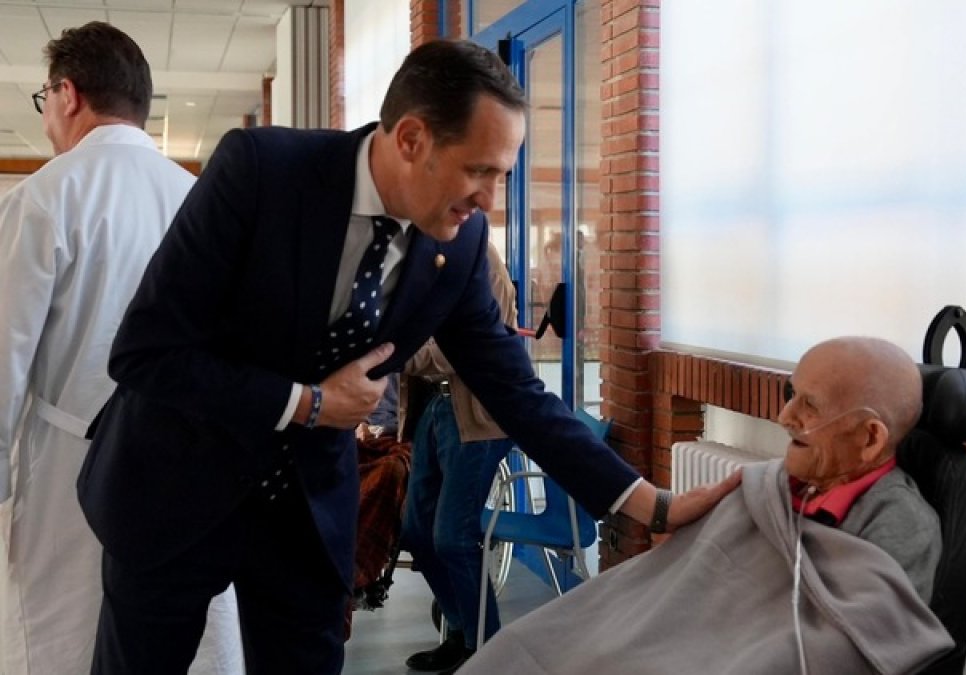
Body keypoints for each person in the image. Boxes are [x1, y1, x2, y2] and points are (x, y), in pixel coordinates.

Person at [77, 38, 736, 674]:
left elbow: (516, 392)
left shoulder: (462, 246)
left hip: (303, 514)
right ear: (412, 138)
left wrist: (647, 502)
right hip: (174, 481)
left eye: (500, 175)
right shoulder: (262, 172)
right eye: (479, 171)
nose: (489, 201)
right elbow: (145, 351)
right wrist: (308, 403)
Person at [459, 337, 953, 675]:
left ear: (869, 438)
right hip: (663, 643)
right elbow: (677, 586)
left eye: (810, 406)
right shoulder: (767, 488)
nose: (784, 417)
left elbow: (854, 649)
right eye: (790, 396)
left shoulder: (900, 524)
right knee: (534, 647)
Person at [0, 22, 244, 675]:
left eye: (43, 97)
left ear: (68, 93)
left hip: (67, 467)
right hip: (186, 466)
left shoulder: (45, 198)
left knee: (64, 638)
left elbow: (5, 358)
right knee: (182, 643)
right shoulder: (200, 199)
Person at [400, 242, 517, 673]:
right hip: (436, 407)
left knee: (452, 535)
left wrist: (400, 355)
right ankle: (459, 631)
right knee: (415, 531)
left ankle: (487, 648)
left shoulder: (482, 261)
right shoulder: (423, 256)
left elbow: (473, 344)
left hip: (479, 416)